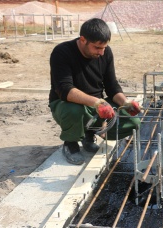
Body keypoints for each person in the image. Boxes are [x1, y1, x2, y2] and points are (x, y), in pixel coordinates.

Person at [49, 18, 141, 165]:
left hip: (97, 107)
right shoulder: (62, 52)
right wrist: (97, 102)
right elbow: (65, 90)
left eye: (104, 47)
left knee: (133, 122)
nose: (102, 52)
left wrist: (126, 102)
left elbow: (112, 86)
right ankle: (70, 144)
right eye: (97, 48)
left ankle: (89, 134)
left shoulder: (105, 53)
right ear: (83, 39)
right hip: (65, 105)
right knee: (75, 110)